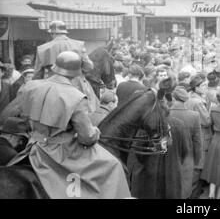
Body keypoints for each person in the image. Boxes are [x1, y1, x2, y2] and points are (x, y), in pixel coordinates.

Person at [8, 51, 130, 198]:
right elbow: (87, 137)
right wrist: (95, 132)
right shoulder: (75, 96)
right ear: (77, 72)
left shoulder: (29, 86)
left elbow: (14, 117)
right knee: (112, 164)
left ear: (56, 67)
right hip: (63, 151)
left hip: (34, 147)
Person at [33, 20, 99, 112]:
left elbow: (37, 73)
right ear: (65, 32)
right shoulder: (78, 45)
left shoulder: (42, 49)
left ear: (52, 33)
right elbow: (89, 67)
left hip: (52, 86)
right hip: (76, 84)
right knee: (90, 108)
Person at [170, 86, 202, 199]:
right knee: (185, 187)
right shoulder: (194, 116)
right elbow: (197, 141)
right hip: (187, 157)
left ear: (173, 98)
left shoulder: (166, 114)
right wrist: (197, 159)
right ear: (186, 99)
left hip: (168, 157)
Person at [185, 74, 212, 198]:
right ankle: (193, 194)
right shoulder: (198, 102)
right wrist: (211, 109)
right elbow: (207, 121)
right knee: (198, 166)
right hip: (201, 135)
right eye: (203, 85)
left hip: (192, 134)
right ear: (196, 88)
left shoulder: (190, 98)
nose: (206, 87)